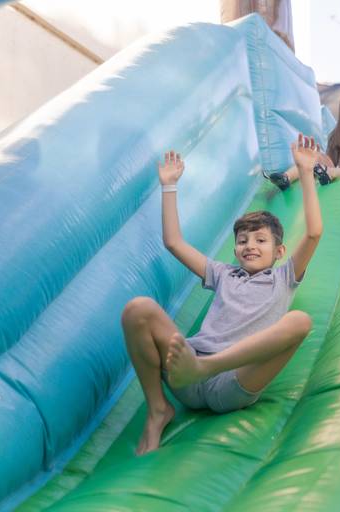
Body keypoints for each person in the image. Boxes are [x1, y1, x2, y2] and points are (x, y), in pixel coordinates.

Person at [121, 133, 323, 455]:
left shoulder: (284, 278)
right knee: (137, 309)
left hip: (234, 381)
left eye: (260, 240)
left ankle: (207, 366)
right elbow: (174, 242)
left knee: (299, 321)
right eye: (243, 241)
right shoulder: (223, 274)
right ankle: (158, 408)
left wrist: (306, 172)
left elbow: (313, 233)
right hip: (189, 371)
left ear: (279, 251)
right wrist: (169, 186)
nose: (250, 246)